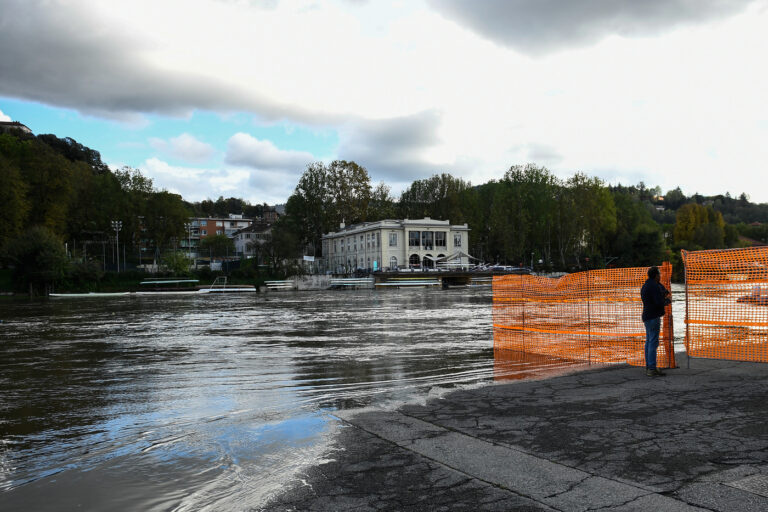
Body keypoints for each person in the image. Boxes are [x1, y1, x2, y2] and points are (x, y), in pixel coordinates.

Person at [641, 266, 671, 377]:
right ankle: (652, 368)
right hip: (653, 316)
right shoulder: (654, 286)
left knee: (649, 341)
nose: (660, 276)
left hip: (646, 316)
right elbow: (658, 302)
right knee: (653, 342)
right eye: (659, 274)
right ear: (656, 275)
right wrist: (667, 301)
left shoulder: (645, 285)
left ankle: (649, 366)